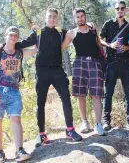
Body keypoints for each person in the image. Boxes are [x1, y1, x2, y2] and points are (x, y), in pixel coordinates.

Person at [14, 8, 82, 148]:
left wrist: (89, 25)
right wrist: (5, 45)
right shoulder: (38, 33)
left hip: (58, 71)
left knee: (66, 97)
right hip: (42, 72)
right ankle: (42, 134)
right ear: (46, 17)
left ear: (57, 19)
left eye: (54, 17)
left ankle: (70, 130)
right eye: (50, 16)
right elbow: (21, 44)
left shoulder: (60, 32)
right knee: (41, 103)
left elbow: (74, 33)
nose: (52, 19)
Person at [0, 26, 34, 162]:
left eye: (16, 35)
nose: (13, 37)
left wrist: (37, 32)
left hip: (14, 91)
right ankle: (0, 152)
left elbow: (35, 49)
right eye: (11, 35)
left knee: (16, 119)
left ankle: (19, 150)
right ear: (6, 35)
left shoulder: (19, 52)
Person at [61, 8, 105, 136]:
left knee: (97, 94)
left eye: (82, 16)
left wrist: (104, 57)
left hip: (95, 63)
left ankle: (98, 124)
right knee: (81, 94)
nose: (80, 19)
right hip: (79, 63)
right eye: (78, 17)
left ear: (85, 17)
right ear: (75, 19)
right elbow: (61, 47)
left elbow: (99, 44)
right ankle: (84, 122)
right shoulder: (71, 33)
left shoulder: (93, 29)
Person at [100, 1, 129, 131]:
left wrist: (126, 47)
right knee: (108, 92)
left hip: (126, 63)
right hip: (111, 62)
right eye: (117, 8)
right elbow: (99, 39)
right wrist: (109, 45)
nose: (120, 10)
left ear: (125, 10)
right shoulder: (108, 24)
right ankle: (106, 121)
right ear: (114, 10)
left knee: (128, 93)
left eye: (122, 8)